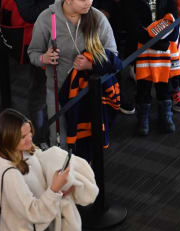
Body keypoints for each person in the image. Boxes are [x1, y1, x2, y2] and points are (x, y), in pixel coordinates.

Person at [28, 0, 117, 147]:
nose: (89, 2)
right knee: (60, 142)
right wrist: (43, 58)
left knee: (87, 142)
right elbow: (33, 53)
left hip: (88, 92)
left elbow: (113, 55)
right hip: (58, 92)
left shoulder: (98, 18)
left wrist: (91, 64)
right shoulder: (46, 18)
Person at [0, 109, 70, 231]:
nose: (30, 138)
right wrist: (55, 189)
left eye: (30, 132)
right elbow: (33, 212)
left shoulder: (20, 151)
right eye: (22, 136)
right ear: (8, 138)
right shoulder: (10, 173)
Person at [125, 0, 180, 135]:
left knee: (165, 85)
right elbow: (134, 28)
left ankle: (165, 115)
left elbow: (174, 21)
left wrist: (164, 40)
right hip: (142, 49)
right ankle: (143, 118)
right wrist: (158, 44)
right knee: (143, 86)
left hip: (165, 49)